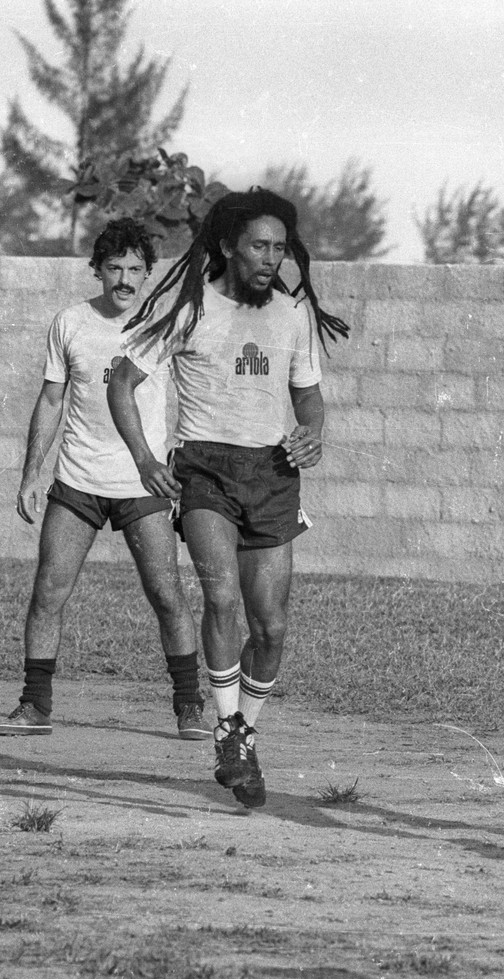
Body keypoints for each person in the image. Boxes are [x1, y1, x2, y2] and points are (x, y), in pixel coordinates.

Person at [107, 189, 349, 808]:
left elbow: (309, 396)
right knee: (219, 596)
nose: (271, 257)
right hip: (205, 469)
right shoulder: (191, 308)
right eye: (259, 246)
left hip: (272, 474)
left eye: (279, 247)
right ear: (227, 247)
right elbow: (122, 384)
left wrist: (312, 434)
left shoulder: (292, 316)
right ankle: (227, 727)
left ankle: (244, 734)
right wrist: (144, 460)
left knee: (270, 628)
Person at [0, 218, 207, 739]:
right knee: (47, 592)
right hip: (78, 481)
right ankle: (35, 704)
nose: (125, 280)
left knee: (167, 593)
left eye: (135, 269)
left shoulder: (166, 324)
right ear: (98, 271)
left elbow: (200, 392)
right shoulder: (69, 323)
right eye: (114, 268)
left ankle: (189, 706)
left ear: (149, 273)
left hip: (144, 486)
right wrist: (30, 475)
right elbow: (51, 399)